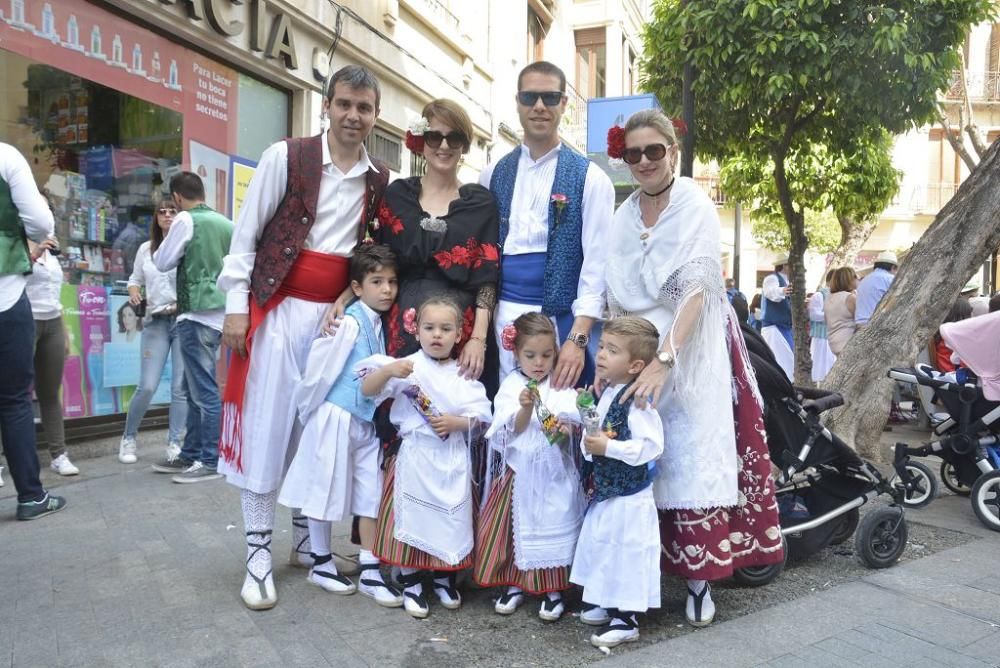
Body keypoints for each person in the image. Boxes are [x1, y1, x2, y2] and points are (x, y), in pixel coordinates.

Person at [216, 65, 390, 610]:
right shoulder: (286, 157)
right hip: (279, 310)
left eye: (364, 108)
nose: (353, 116)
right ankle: (257, 554)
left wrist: (348, 298)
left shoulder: (377, 178)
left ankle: (305, 547)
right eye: (344, 104)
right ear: (326, 105)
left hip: (333, 326)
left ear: (375, 114)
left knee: (314, 432)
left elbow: (361, 254)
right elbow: (246, 238)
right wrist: (236, 309)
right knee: (268, 429)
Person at [603, 110, 783, 628]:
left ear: (672, 152)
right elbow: (618, 294)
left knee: (691, 450)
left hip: (694, 346)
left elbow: (699, 289)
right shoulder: (623, 215)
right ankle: (642, 573)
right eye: (633, 153)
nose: (642, 162)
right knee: (640, 448)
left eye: (652, 151)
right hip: (640, 346)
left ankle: (701, 580)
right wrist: (620, 357)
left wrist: (664, 360)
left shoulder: (695, 204)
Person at [277, 244, 402, 608]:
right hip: (336, 414)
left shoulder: (378, 324)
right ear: (357, 287)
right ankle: (320, 561)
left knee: (370, 491)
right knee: (324, 485)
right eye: (377, 281)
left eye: (392, 282)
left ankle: (370, 567)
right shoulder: (348, 322)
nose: (387, 290)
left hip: (363, 420)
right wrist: (312, 411)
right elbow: (320, 369)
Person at [480, 61, 615, 390]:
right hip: (503, 315)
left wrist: (578, 339)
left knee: (558, 417)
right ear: (517, 102)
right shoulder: (491, 174)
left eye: (550, 98)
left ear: (564, 104)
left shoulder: (592, 179)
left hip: (561, 318)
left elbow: (597, 266)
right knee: (509, 411)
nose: (539, 106)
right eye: (529, 97)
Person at [359, 296, 492, 619]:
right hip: (417, 455)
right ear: (415, 330)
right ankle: (413, 581)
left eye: (445, 329)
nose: (437, 335)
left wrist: (457, 422)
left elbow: (483, 417)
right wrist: (389, 369)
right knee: (414, 517)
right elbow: (368, 388)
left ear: (459, 334)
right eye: (429, 328)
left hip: (451, 457)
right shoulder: (409, 365)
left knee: (449, 518)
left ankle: (445, 578)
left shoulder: (464, 374)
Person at [474, 312, 585, 622]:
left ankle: (553, 589)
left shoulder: (560, 384)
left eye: (547, 355)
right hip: (519, 471)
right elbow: (511, 430)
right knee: (515, 530)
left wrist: (565, 429)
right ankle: (514, 584)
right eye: (530, 355)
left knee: (553, 523)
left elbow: (571, 426)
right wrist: (524, 408)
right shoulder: (512, 384)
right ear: (515, 352)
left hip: (553, 471)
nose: (539, 362)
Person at [378, 99, 498, 378]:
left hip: (458, 331)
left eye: (453, 138)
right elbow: (377, 261)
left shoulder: (480, 204)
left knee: (451, 412)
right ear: (421, 140)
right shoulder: (397, 195)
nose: (443, 146)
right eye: (434, 136)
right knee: (399, 408)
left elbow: (487, 279)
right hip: (402, 324)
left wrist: (478, 340)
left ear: (464, 146)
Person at [569, 317, 663, 648]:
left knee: (626, 551)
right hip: (608, 491)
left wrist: (609, 447)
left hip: (630, 496)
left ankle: (627, 618)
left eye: (612, 350)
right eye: (602, 346)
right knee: (603, 544)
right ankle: (607, 600)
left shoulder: (636, 401)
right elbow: (597, 434)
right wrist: (590, 437)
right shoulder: (607, 392)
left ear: (636, 365)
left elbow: (651, 446)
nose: (602, 355)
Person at [0, 141, 67, 520]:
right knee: (14, 400)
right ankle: (30, 497)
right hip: (5, 295)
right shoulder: (6, 157)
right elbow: (42, 223)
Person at [153, 171, 233, 484]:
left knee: (202, 391)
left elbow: (162, 261)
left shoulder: (186, 220)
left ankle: (209, 459)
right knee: (196, 387)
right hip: (221, 313)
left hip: (195, 312)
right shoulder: (226, 222)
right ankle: (191, 453)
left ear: (177, 197)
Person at [118, 197, 187, 465]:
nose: (168, 216)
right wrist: (134, 292)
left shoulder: (187, 247)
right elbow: (135, 279)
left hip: (182, 320)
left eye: (173, 212)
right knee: (147, 385)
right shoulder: (146, 249)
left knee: (180, 387)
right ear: (156, 218)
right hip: (155, 320)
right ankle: (128, 437)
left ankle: (174, 443)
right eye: (162, 212)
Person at [24, 235, 79, 476]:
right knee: (12, 394)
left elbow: (54, 293)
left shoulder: (52, 250)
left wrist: (64, 330)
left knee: (49, 393)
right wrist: (34, 253)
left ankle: (58, 455)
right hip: (24, 321)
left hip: (53, 323)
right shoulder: (12, 243)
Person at [760, 256, 794, 380]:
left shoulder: (788, 280)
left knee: (788, 361)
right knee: (780, 361)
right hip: (774, 327)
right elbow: (771, 292)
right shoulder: (772, 278)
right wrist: (783, 290)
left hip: (784, 327)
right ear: (784, 265)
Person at [855, 250, 898, 328]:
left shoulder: (864, 280)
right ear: (893, 267)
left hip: (859, 325)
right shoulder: (890, 279)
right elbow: (895, 300)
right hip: (875, 324)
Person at [808, 270, 836, 382]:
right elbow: (814, 314)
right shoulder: (819, 295)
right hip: (820, 336)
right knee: (819, 364)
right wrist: (832, 315)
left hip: (832, 336)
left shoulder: (838, 295)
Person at [825, 267, 858, 356]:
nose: (857, 279)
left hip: (834, 342)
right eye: (855, 276)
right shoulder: (850, 298)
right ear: (849, 280)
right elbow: (861, 320)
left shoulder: (829, 298)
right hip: (847, 342)